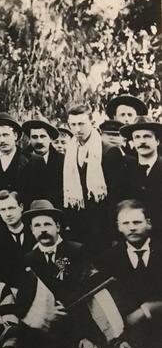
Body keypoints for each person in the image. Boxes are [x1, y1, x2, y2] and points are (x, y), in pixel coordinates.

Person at [20, 200, 104, 348]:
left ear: (57, 227)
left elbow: (91, 296)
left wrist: (89, 337)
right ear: (31, 230)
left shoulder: (77, 251)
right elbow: (25, 300)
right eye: (37, 225)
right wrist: (44, 314)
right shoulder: (29, 259)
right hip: (46, 332)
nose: (43, 229)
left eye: (47, 224)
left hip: (78, 329)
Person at [93, 200, 162, 348]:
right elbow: (104, 302)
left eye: (137, 222)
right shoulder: (108, 259)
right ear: (118, 227)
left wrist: (147, 309)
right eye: (125, 223)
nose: (132, 228)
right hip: (128, 330)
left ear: (148, 223)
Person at [63, 104, 112, 252]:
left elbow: (114, 193)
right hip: (78, 221)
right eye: (73, 124)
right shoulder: (70, 150)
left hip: (101, 222)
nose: (77, 129)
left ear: (92, 123)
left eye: (82, 124)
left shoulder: (108, 150)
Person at [0, 112, 46, 209]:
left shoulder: (35, 161)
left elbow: (41, 196)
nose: (2, 140)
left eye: (6, 135)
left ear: (15, 135)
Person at [120, 117, 162, 239]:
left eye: (147, 136)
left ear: (157, 141)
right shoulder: (125, 170)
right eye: (137, 137)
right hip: (132, 239)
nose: (142, 141)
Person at [0, 190, 35, 287]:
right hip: (9, 292)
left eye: (11, 208)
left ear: (21, 207)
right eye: (3, 210)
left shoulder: (34, 232)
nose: (8, 214)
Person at [23, 118, 64, 208]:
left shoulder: (63, 161)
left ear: (51, 139)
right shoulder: (22, 160)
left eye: (43, 136)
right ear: (29, 139)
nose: (39, 141)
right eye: (34, 137)